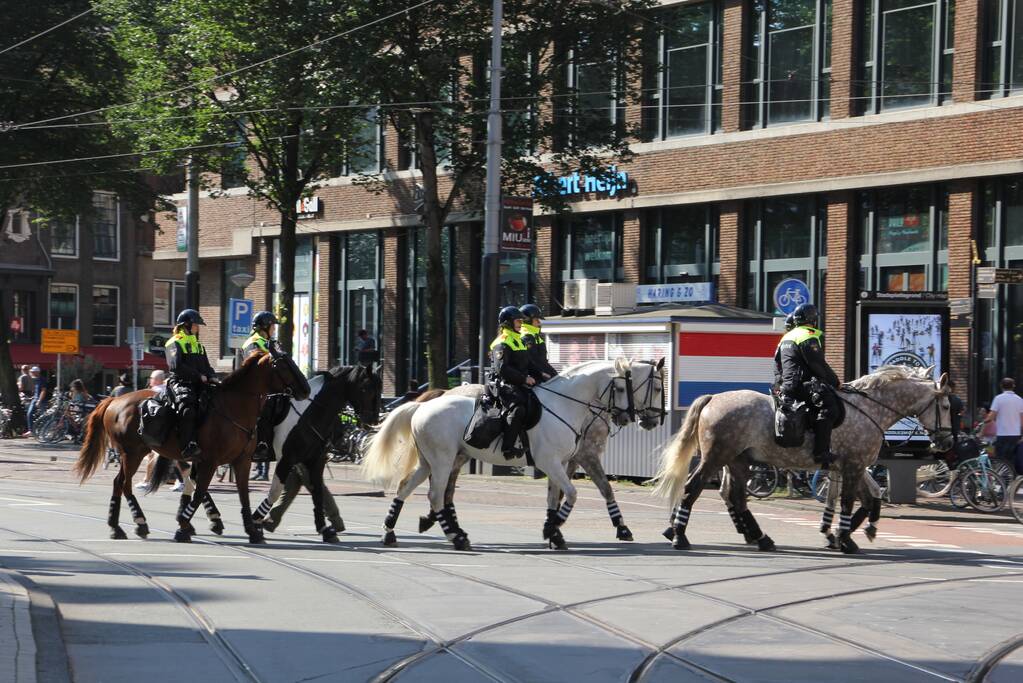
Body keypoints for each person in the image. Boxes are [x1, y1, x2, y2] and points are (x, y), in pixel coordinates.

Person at [774, 303, 840, 467]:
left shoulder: (786, 337)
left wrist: (780, 382)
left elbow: (777, 363)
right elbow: (817, 364)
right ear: (812, 319)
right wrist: (835, 382)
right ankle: (821, 452)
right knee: (829, 408)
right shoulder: (807, 335)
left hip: (787, 386)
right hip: (802, 385)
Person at [165, 309, 216, 459]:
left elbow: (207, 366)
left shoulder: (199, 345)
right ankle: (188, 445)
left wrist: (212, 376)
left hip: (199, 383)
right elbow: (176, 366)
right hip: (180, 382)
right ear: (186, 325)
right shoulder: (174, 342)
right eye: (196, 325)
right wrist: (198, 376)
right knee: (188, 409)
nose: (198, 328)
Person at [489, 306, 536, 459]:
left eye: (522, 320)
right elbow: (502, 369)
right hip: (503, 384)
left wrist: (543, 374)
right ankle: (508, 447)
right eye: (517, 320)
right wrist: (524, 379)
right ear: (507, 323)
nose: (521, 323)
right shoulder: (501, 342)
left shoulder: (518, 340)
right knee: (518, 410)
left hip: (517, 384)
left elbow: (527, 363)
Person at [244, 311, 282, 466]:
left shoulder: (273, 342)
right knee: (264, 410)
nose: (274, 329)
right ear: (264, 327)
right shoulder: (252, 343)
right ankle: (261, 444)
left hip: (274, 384)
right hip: (256, 387)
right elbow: (254, 368)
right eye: (272, 326)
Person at [984, 377, 1023, 464]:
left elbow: (991, 416)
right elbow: (1022, 420)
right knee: (1012, 458)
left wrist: (983, 422)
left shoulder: (998, 398)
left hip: (1002, 433)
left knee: (1001, 459)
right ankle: (1011, 475)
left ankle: (1002, 476)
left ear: (1001, 386)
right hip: (1015, 434)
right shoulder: (1020, 400)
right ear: (1013, 386)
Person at [519, 303, 557, 383]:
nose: (539, 323)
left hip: (542, 375)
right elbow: (534, 361)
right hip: (535, 378)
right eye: (536, 320)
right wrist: (547, 375)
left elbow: (543, 362)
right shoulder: (526, 336)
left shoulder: (535, 335)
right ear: (528, 320)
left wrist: (556, 375)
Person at [25, 367, 48, 433]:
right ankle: (31, 430)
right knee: (29, 413)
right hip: (35, 399)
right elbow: (37, 391)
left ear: (37, 372)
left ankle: (46, 430)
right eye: (31, 372)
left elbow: (43, 391)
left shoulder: (42, 379)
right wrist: (33, 397)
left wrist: (39, 400)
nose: (31, 373)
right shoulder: (36, 379)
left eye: (33, 372)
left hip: (41, 400)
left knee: (43, 415)